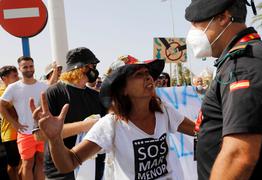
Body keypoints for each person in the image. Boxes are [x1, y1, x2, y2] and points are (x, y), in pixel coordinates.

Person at [31, 58, 195, 180]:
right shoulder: (111, 124)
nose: (148, 77)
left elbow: (198, 131)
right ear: (122, 89)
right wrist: (54, 139)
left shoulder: (163, 111)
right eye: (139, 74)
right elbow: (69, 163)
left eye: (148, 74)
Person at [185, 0, 262, 179]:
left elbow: (239, 156)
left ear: (223, 18)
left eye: (196, 23)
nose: (192, 32)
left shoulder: (244, 64)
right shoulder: (237, 60)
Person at [32, 47, 107, 180]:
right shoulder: (54, 93)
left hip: (93, 166)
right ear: (81, 68)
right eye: (92, 66)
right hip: (60, 170)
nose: (95, 70)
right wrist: (87, 125)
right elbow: (40, 135)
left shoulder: (96, 96)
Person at [0, 56, 48, 180]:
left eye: (31, 66)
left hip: (42, 131)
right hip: (25, 132)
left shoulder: (43, 86)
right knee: (27, 164)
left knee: (41, 162)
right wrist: (14, 123)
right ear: (20, 69)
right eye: (25, 67)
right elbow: (2, 105)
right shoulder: (13, 87)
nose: (28, 69)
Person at [0, 65, 20, 180]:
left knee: (24, 163)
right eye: (15, 76)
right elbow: (12, 110)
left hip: (22, 132)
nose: (18, 78)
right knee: (13, 165)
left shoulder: (18, 89)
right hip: (9, 134)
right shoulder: (2, 92)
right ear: (4, 78)